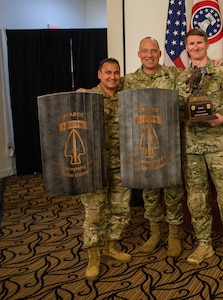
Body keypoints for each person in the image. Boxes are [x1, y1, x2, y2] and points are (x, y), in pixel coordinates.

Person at [176, 28, 223, 266]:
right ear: (186, 47)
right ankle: (204, 244)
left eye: (199, 43)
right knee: (196, 200)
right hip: (192, 147)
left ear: (207, 45)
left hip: (219, 146)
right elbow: (176, 109)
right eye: (191, 44)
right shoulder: (181, 78)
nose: (195, 47)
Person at [122, 37, 185, 257]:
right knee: (149, 192)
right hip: (143, 148)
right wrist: (87, 91)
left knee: (173, 192)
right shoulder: (128, 80)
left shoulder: (174, 75)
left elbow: (197, 75)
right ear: (139, 54)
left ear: (160, 54)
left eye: (154, 51)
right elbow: (108, 90)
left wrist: (216, 64)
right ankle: (155, 233)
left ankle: (174, 235)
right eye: (145, 51)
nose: (149, 55)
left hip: (168, 145)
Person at [79, 58, 132, 281]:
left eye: (116, 73)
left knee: (120, 209)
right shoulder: (86, 98)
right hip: (95, 165)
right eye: (108, 73)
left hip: (122, 163)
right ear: (99, 74)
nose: (112, 77)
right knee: (95, 211)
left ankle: (111, 246)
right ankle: (93, 255)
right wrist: (77, 97)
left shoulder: (128, 97)